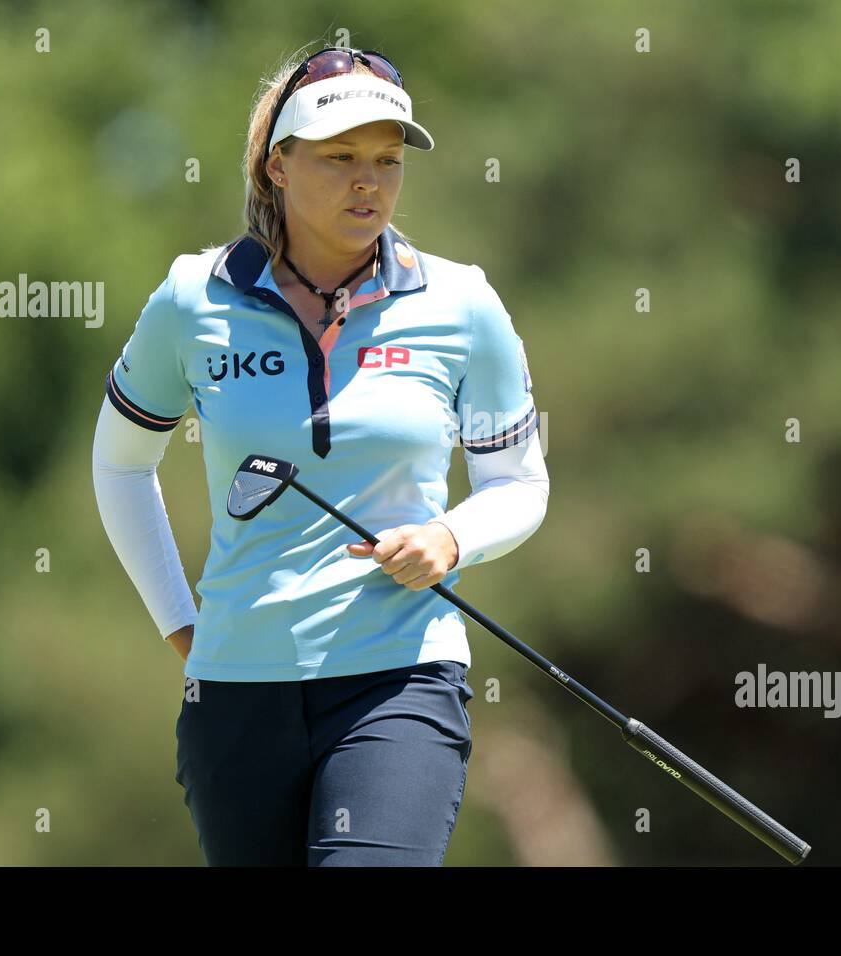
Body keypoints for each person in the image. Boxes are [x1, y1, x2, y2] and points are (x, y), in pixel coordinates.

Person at [91, 43, 549, 866]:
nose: (367, 181)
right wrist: (182, 628)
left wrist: (451, 539)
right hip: (235, 694)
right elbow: (121, 463)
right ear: (278, 166)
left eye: (386, 159)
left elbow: (517, 484)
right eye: (339, 158)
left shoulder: (462, 304)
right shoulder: (194, 299)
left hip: (400, 678)